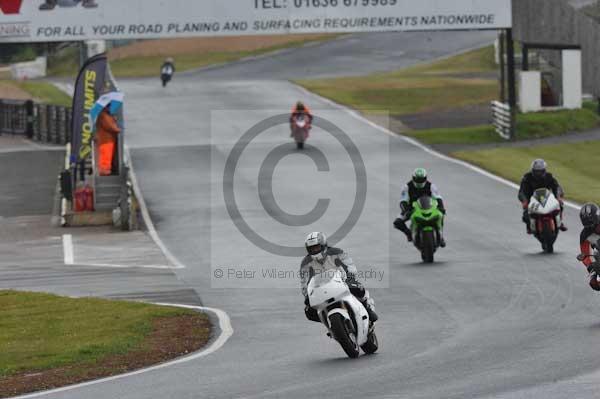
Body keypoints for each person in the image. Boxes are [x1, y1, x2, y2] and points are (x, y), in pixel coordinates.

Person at [300, 232, 378, 323]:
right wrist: (307, 295)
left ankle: (367, 308)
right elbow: (304, 282)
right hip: (321, 290)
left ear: (323, 245)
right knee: (309, 311)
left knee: (357, 288)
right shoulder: (306, 263)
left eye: (316, 247)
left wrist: (350, 277)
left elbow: (349, 265)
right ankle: (329, 323)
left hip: (342, 282)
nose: (314, 250)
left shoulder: (337, 253)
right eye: (311, 249)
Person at [393, 168, 446, 246]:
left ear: (425, 178)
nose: (419, 182)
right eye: (417, 179)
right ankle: (409, 234)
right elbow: (402, 201)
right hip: (412, 209)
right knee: (397, 223)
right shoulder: (407, 187)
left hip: (429, 207)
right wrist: (406, 211)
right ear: (413, 178)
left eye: (421, 180)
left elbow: (438, 197)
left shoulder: (431, 186)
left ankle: (441, 236)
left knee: (441, 215)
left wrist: (441, 208)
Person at [518, 159, 567, 234]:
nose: (538, 173)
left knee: (560, 205)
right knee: (525, 215)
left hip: (546, 198)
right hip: (531, 199)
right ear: (532, 170)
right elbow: (521, 191)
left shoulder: (549, 177)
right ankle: (529, 226)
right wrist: (524, 201)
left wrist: (558, 197)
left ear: (544, 170)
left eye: (540, 171)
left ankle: (559, 222)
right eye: (536, 171)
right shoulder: (526, 178)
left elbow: (557, 187)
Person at [579, 203, 600, 291]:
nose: (590, 227)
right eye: (587, 225)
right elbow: (585, 253)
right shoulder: (585, 234)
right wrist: (590, 265)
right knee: (594, 283)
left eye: (591, 224)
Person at [95, 103, 120, 176]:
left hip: (107, 139)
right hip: (106, 139)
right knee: (106, 155)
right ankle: (104, 171)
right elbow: (109, 126)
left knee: (106, 155)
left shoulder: (106, 115)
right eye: (109, 106)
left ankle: (105, 170)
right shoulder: (103, 115)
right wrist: (117, 129)